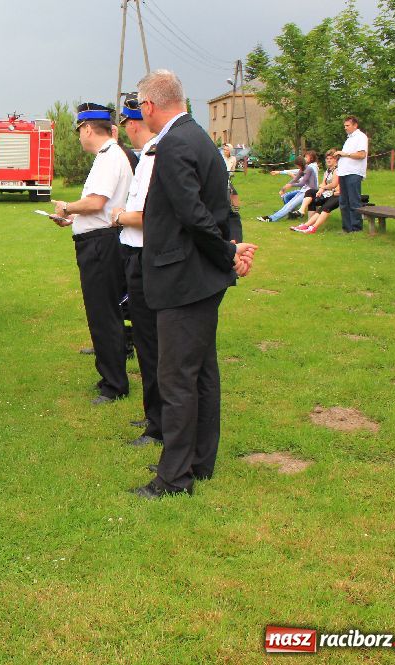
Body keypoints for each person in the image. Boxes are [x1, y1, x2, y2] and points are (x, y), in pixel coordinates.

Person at [132, 69, 257, 499]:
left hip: (184, 278)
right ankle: (198, 462)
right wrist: (230, 248)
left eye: (139, 106)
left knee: (177, 379)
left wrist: (226, 252)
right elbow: (222, 206)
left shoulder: (175, 144)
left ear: (149, 105)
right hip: (200, 276)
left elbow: (193, 214)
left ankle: (174, 479)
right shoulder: (199, 137)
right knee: (201, 373)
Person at [51, 103, 132, 405]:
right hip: (100, 239)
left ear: (87, 129)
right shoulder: (110, 155)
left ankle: (114, 384)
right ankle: (109, 376)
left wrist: (67, 207)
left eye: (79, 131)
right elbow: (102, 208)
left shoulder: (109, 157)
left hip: (100, 244)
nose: (79, 137)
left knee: (103, 314)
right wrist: (73, 218)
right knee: (104, 312)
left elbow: (97, 203)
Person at [108, 96, 163, 448]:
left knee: (152, 344)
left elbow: (145, 216)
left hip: (145, 255)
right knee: (145, 342)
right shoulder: (146, 157)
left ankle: (158, 424)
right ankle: (153, 414)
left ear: (132, 123)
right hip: (136, 253)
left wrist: (119, 216)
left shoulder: (155, 156)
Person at [255, 152, 319, 222]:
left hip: (310, 192)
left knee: (290, 205)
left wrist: (291, 185)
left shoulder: (309, 169)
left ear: (300, 164)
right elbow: (295, 179)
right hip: (304, 190)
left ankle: (271, 218)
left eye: (298, 166)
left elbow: (302, 183)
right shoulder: (302, 169)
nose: (298, 167)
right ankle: (273, 217)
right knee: (288, 204)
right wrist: (284, 188)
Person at [292, 151, 340, 234]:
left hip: (336, 194)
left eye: (331, 158)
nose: (328, 160)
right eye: (327, 159)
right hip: (328, 193)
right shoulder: (327, 171)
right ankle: (304, 217)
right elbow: (324, 183)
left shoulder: (337, 170)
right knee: (310, 194)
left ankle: (312, 227)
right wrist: (321, 190)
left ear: (335, 160)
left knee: (324, 208)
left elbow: (334, 184)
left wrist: (323, 187)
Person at [335, 115, 368, 233]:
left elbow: (362, 155)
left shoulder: (361, 137)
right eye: (344, 126)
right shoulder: (349, 138)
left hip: (354, 173)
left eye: (347, 125)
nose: (345, 128)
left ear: (355, 125)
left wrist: (345, 154)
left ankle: (356, 228)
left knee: (354, 201)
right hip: (343, 173)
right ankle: (347, 228)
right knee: (343, 202)